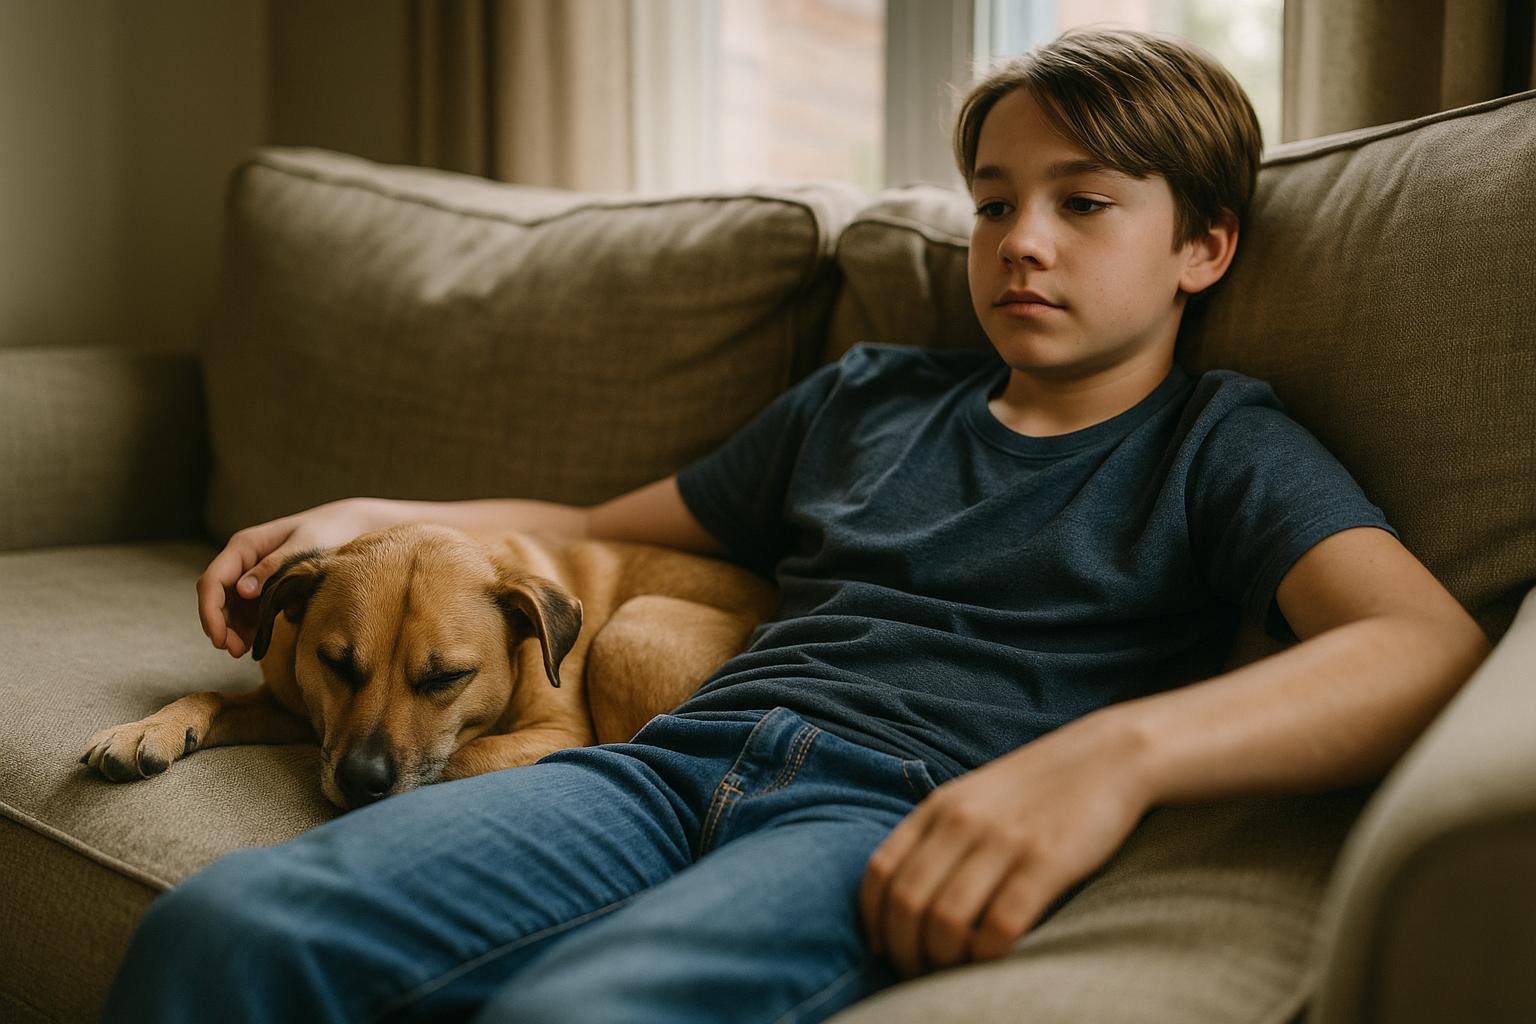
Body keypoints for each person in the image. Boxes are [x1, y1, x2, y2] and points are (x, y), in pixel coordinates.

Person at [102, 27, 1490, 1024]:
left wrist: (1112, 761)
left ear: (1205, 246)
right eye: (995, 203)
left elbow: (1419, 641)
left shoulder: (1218, 443)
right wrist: (380, 512)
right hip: (659, 764)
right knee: (228, 926)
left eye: (1085, 205)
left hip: (879, 817)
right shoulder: (870, 395)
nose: (1022, 241)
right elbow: (590, 522)